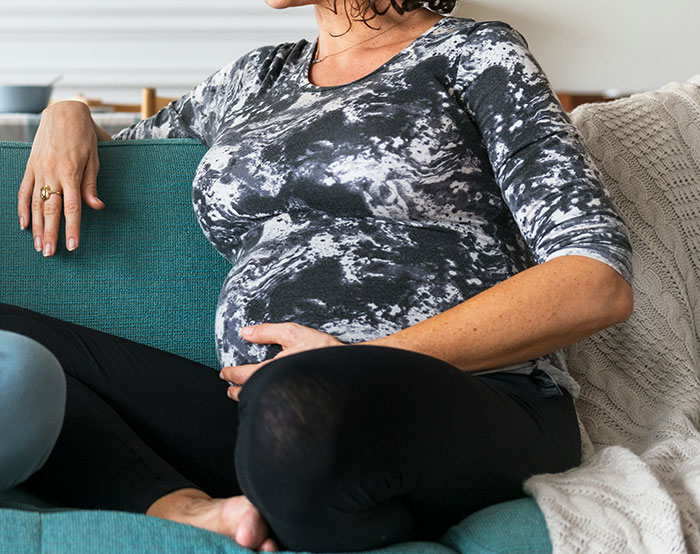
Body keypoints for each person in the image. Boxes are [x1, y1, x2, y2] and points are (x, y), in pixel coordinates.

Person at [4, 0, 633, 552]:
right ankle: (190, 508)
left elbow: (593, 279)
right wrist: (68, 112)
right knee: (15, 346)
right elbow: (129, 143)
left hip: (455, 400)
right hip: (257, 404)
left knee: (297, 411)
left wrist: (357, 360)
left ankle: (293, 470)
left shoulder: (475, 53)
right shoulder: (255, 79)